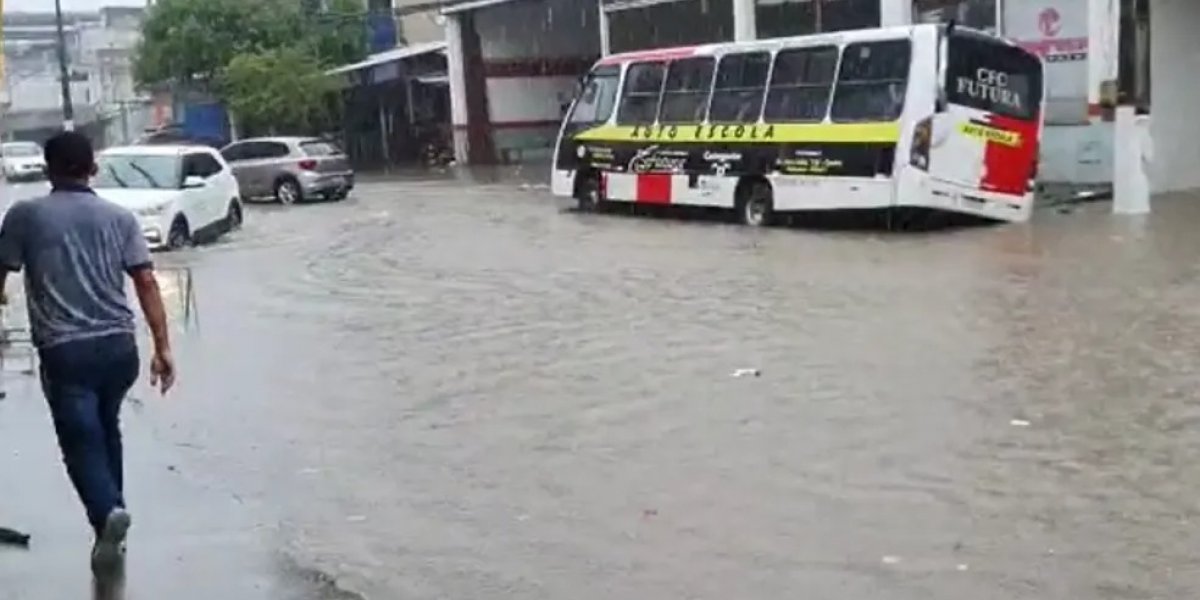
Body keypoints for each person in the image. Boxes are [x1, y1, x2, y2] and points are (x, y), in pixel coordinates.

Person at [0, 131, 175, 573]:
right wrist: (163, 347)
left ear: (47, 169)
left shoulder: (25, 216)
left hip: (65, 350)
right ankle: (110, 528)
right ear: (93, 167)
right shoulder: (121, 218)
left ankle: (107, 514)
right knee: (106, 428)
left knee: (79, 442)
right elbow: (146, 281)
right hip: (120, 348)